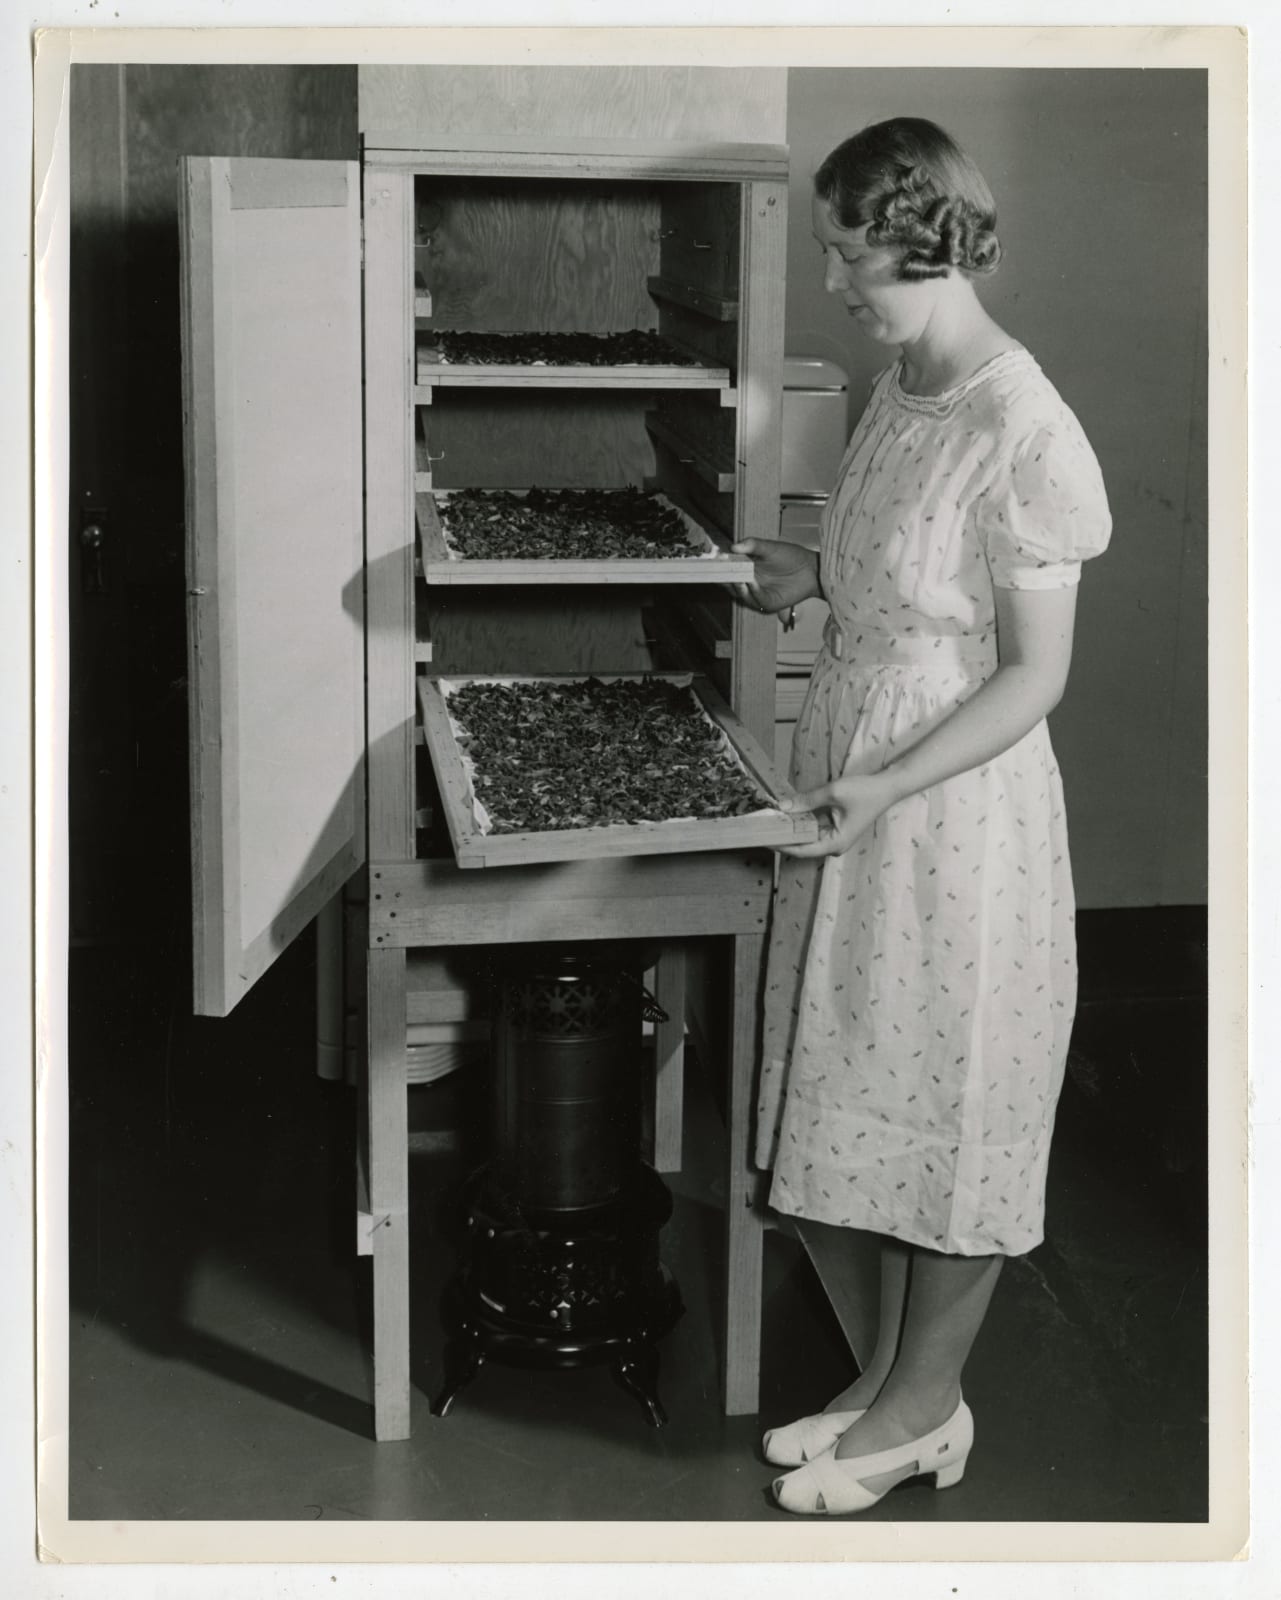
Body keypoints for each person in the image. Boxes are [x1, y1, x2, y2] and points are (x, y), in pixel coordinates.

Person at [731, 116, 1111, 1517]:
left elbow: (1033, 674)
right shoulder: (899, 384)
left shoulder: (1026, 425)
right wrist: (809, 576)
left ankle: (923, 1407)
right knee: (857, 1078)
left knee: (948, 1101)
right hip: (855, 765)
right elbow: (905, 577)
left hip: (951, 806)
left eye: (848, 251)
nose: (834, 280)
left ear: (923, 237)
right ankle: (894, 1380)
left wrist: (889, 781)